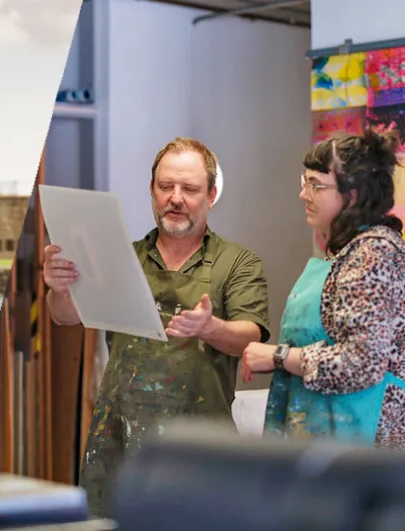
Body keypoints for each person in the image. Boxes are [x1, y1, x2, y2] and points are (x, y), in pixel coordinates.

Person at [42, 137, 271, 518]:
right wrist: (60, 288)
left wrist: (208, 326)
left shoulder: (239, 263)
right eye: (166, 187)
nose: (176, 198)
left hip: (201, 450)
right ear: (152, 190)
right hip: (119, 444)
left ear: (211, 195)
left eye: (190, 189)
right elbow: (64, 315)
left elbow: (249, 337)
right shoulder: (122, 257)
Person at [241, 128, 405, 449]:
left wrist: (279, 356)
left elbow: (361, 363)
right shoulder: (349, 252)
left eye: (316, 185)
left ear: (353, 195)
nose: (303, 194)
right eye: (304, 182)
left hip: (365, 443)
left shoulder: (373, 255)